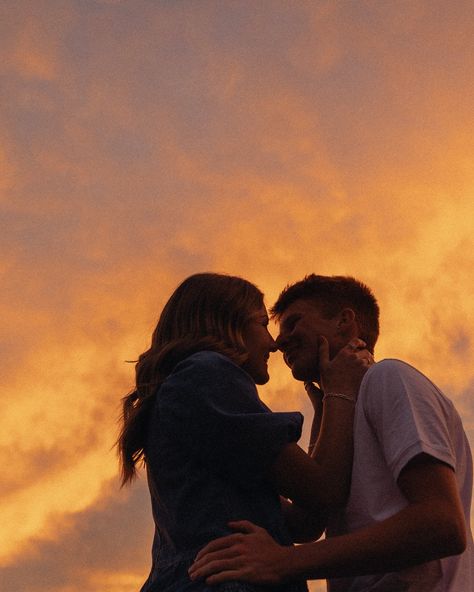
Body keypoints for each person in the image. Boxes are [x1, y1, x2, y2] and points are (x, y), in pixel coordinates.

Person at [189, 274, 473, 592]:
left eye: (294, 323)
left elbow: (443, 524)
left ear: (344, 321)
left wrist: (283, 561)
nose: (279, 341)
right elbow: (311, 518)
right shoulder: (340, 413)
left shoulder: (388, 378)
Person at [117, 272, 372, 592]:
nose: (274, 343)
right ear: (227, 324)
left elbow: (304, 523)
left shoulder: (194, 400)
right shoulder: (207, 375)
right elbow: (324, 489)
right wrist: (341, 393)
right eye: (262, 324)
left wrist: (323, 410)